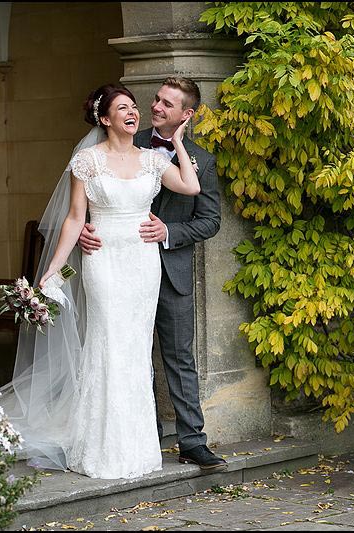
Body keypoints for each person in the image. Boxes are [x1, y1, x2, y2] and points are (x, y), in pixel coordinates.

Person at [0, 83, 200, 480]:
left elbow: (191, 187)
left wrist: (177, 140)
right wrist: (53, 270)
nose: (133, 112)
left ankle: (136, 448)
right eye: (122, 108)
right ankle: (100, 448)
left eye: (134, 106)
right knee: (107, 343)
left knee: (135, 351)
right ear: (105, 119)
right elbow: (75, 218)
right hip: (103, 261)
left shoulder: (153, 160)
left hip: (143, 264)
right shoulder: (87, 161)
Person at [78, 77, 226, 471]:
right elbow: (89, 197)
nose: (156, 107)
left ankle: (193, 442)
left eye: (167, 104)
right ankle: (141, 437)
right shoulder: (126, 138)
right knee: (128, 351)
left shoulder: (201, 160)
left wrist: (168, 232)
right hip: (117, 267)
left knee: (179, 357)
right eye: (157, 99)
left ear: (187, 114)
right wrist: (85, 229)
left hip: (170, 270)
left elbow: (210, 221)